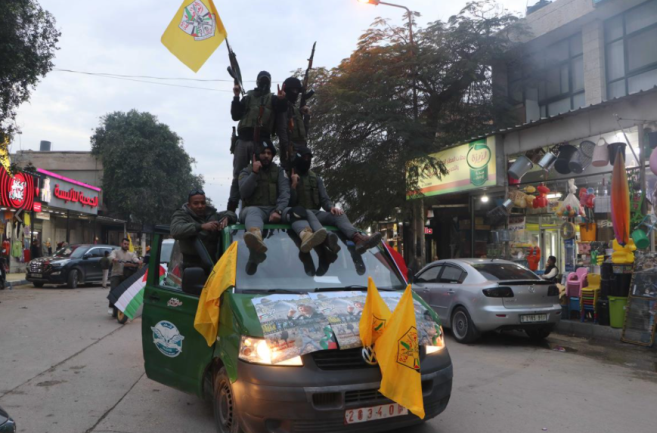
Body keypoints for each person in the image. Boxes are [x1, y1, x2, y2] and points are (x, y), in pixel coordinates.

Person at [289, 147, 382, 254]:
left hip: (315, 214)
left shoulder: (315, 178)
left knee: (339, 214)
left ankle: (358, 239)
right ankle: (328, 240)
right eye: (304, 158)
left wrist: (331, 207)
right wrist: (293, 185)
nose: (306, 160)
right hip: (297, 216)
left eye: (308, 158)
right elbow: (288, 203)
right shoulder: (288, 175)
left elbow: (325, 199)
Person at [239, 143, 325, 254]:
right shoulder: (246, 171)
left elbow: (285, 193)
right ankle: (256, 239)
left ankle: (306, 236)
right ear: (256, 155)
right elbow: (244, 193)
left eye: (269, 153)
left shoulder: (279, 171)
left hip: (276, 209)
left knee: (296, 211)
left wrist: (278, 210)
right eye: (263, 153)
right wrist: (254, 173)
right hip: (255, 210)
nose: (266, 156)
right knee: (252, 212)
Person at [227, 71, 288, 212]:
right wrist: (236, 96)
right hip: (243, 140)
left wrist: (282, 99)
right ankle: (231, 209)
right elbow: (235, 116)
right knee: (238, 175)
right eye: (262, 80)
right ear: (257, 81)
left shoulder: (273, 99)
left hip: (262, 141)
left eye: (266, 81)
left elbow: (282, 111)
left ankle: (259, 207)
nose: (264, 83)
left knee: (262, 173)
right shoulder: (248, 97)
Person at [171, 189, 237, 268]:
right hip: (190, 265)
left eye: (203, 203)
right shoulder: (181, 215)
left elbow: (232, 214)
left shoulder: (212, 214)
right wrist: (201, 226)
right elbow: (176, 230)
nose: (200, 206)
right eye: (196, 203)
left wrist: (227, 218)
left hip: (213, 263)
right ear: (189, 205)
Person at [278, 77, 310, 169]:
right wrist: (286, 147)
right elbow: (282, 128)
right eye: (293, 90)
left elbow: (304, 130)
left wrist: (307, 116)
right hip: (291, 146)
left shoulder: (296, 108)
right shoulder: (284, 107)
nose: (295, 92)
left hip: (302, 145)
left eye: (297, 90)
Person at [108, 238, 141, 316]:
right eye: (125, 244)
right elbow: (110, 257)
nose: (126, 245)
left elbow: (135, 259)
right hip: (116, 274)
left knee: (125, 293)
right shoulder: (116, 252)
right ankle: (111, 307)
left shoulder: (131, 254)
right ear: (121, 244)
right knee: (114, 290)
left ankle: (122, 310)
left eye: (127, 244)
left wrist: (138, 261)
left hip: (126, 275)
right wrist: (114, 259)